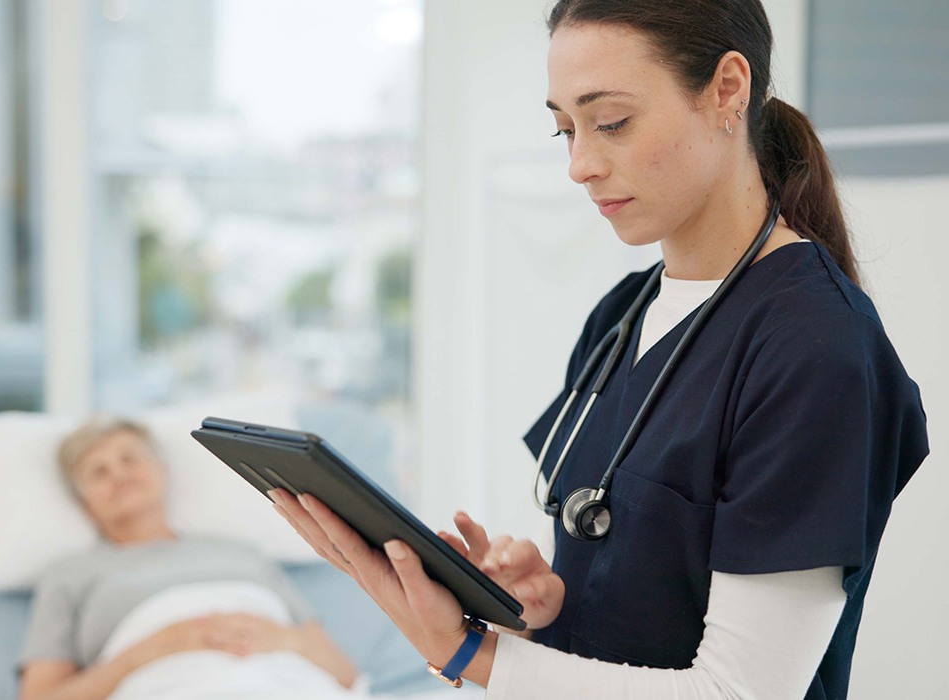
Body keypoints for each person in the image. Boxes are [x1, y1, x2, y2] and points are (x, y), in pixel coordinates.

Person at [267, 1, 930, 699]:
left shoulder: (814, 349)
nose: (581, 164)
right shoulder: (623, 316)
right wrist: (543, 609)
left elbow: (741, 692)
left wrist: (470, 653)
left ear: (728, 88)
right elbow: (632, 594)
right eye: (565, 129)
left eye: (611, 122)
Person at [19, 417, 358, 700]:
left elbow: (346, 676)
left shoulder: (243, 554)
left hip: (282, 681)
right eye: (98, 472)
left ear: (161, 470)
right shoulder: (69, 574)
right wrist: (144, 653)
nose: (119, 475)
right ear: (84, 503)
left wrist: (283, 639)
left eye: (129, 459)